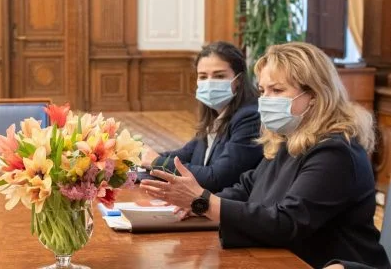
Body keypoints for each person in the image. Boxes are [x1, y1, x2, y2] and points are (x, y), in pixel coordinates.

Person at [142, 42, 390, 269]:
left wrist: (204, 201)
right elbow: (247, 187)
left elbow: (287, 222)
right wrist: (197, 205)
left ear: (314, 95)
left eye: (277, 90)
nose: (264, 101)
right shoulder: (290, 137)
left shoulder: (336, 152)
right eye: (262, 91)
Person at [140, 41, 263, 192]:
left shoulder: (250, 117)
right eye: (203, 77)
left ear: (238, 80)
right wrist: (138, 158)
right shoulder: (216, 113)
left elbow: (217, 178)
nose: (209, 83)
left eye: (219, 76)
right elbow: (185, 154)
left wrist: (157, 162)